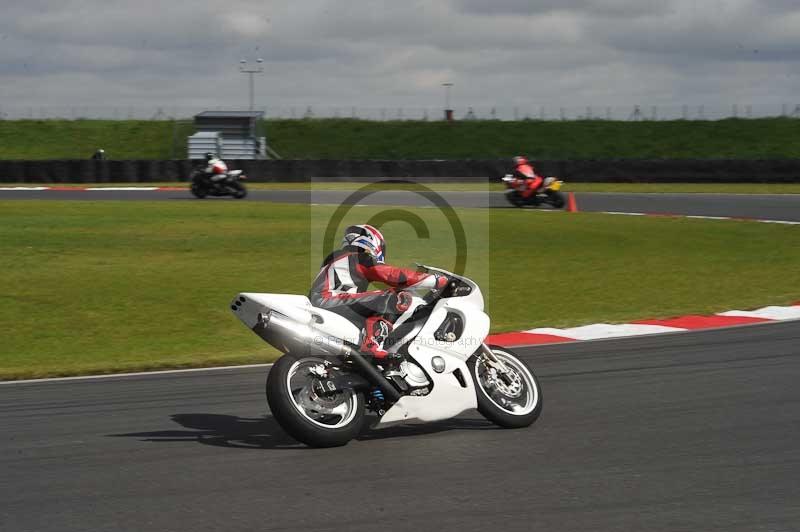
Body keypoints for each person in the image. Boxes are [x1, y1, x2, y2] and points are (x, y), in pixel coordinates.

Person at [309, 224, 450, 362]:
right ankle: (372, 344)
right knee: (397, 297)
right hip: (328, 300)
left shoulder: (339, 259)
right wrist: (437, 280)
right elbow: (393, 275)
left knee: (375, 305)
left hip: (326, 303)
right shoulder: (358, 258)